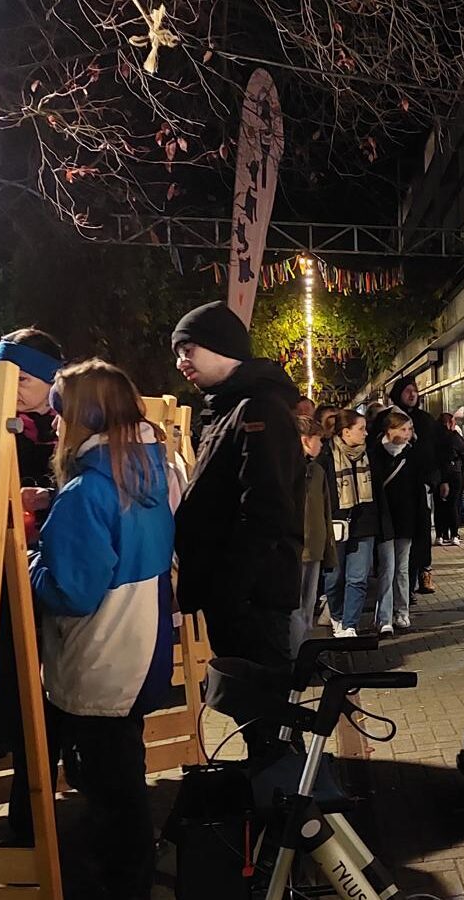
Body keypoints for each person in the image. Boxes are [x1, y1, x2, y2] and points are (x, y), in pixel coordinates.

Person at [29, 359, 176, 900]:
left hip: (98, 660)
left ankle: (124, 887)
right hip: (141, 650)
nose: (52, 424)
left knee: (110, 794)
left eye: (57, 412)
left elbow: (71, 591)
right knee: (124, 784)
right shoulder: (151, 471)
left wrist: (27, 565)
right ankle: (133, 878)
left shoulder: (86, 492)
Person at [170, 301, 305, 756]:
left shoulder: (257, 407)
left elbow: (265, 509)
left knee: (267, 718)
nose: (180, 361)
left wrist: (231, 587)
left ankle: (288, 807)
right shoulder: (228, 407)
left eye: (188, 348)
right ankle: (272, 795)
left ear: (221, 345)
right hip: (238, 595)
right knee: (257, 718)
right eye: (177, 352)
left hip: (252, 598)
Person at [0, 328, 66, 530]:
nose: (9, 388)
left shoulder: (73, 430)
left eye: (21, 379)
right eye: (0, 378)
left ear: (51, 379)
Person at [378, 375, 444, 594]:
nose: (412, 394)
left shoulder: (425, 420)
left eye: (414, 390)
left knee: (421, 534)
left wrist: (439, 478)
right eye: (407, 390)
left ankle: (421, 575)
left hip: (421, 486)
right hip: (395, 491)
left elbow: (437, 450)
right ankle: (401, 591)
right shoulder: (386, 418)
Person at [322, 410, 381, 637]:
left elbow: (379, 495)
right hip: (335, 526)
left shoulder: (371, 456)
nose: (366, 433)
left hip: (364, 523)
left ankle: (349, 625)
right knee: (334, 577)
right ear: (346, 432)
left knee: (357, 578)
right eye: (361, 429)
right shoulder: (326, 456)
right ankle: (337, 616)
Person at [290, 415, 336, 655]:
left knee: (306, 610)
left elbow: (325, 511)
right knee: (296, 609)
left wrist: (328, 550)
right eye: (319, 440)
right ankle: (296, 657)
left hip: (314, 547)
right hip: (297, 547)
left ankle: (302, 654)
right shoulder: (290, 469)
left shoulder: (317, 470)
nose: (322, 445)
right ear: (307, 441)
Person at [371, 411, 420, 635]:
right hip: (383, 518)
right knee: (387, 568)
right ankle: (384, 617)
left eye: (409, 429)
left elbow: (418, 490)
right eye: (403, 429)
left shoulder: (412, 455)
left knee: (401, 568)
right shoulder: (375, 455)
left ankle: (402, 612)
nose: (407, 434)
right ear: (389, 430)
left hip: (405, 519)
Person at [434, 411, 464, 545]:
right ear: (449, 423)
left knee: (439, 505)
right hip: (454, 474)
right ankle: (454, 534)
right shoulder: (454, 437)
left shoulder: (433, 438)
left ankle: (440, 535)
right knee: (453, 504)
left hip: (437, 475)